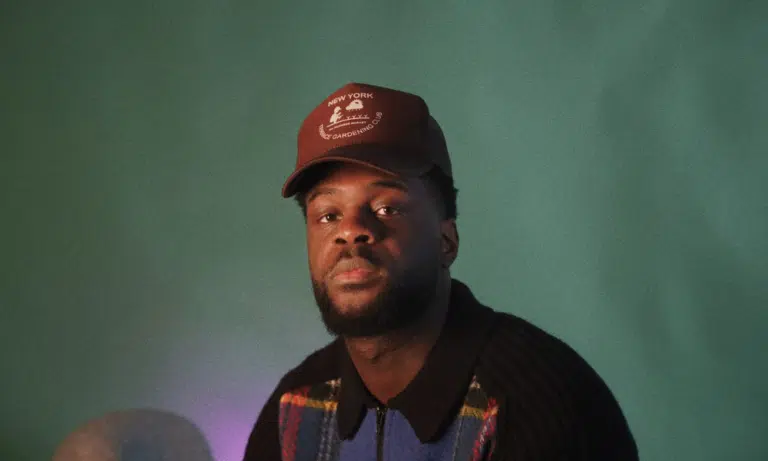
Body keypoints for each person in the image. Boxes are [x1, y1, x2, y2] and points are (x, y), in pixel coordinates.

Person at [242, 83, 638, 461]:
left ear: (446, 241)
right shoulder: (295, 406)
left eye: (386, 208)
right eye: (328, 215)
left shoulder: (538, 403)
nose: (350, 230)